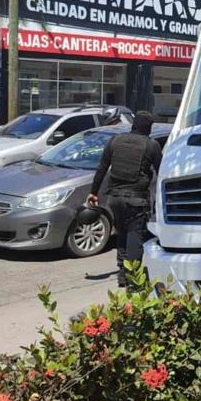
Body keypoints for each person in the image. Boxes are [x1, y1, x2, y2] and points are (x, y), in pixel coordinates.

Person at [87, 111, 162, 287]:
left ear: (133, 124)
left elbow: (102, 168)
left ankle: (122, 270)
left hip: (114, 199)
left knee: (122, 234)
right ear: (149, 128)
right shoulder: (152, 145)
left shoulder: (115, 140)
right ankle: (132, 277)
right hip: (136, 200)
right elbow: (161, 171)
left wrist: (93, 192)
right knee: (135, 237)